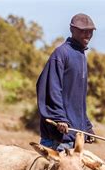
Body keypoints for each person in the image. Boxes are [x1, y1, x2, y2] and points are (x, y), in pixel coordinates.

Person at [36, 13, 96, 151]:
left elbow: (76, 100)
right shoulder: (61, 54)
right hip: (57, 140)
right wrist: (59, 118)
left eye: (90, 31)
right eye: (83, 31)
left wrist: (85, 127)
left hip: (74, 139)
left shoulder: (81, 56)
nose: (87, 35)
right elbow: (51, 88)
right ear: (72, 29)